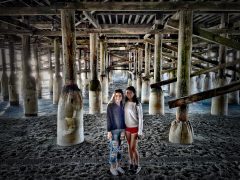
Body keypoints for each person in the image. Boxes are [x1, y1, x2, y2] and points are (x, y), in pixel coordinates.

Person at [124, 86, 143, 174]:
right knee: (129, 147)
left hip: (135, 128)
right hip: (127, 128)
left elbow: (141, 118)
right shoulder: (125, 102)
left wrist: (140, 132)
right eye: (127, 92)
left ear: (134, 93)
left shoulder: (137, 104)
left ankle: (138, 165)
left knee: (133, 148)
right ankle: (131, 162)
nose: (128, 94)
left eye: (130, 92)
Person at [107, 89, 126, 176]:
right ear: (114, 96)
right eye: (116, 95)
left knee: (119, 150)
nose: (118, 97)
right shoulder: (110, 106)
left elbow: (124, 120)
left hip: (121, 131)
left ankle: (118, 166)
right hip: (113, 131)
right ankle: (112, 167)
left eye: (120, 96)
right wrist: (108, 131)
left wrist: (123, 131)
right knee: (114, 150)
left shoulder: (123, 106)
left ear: (122, 96)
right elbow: (108, 119)